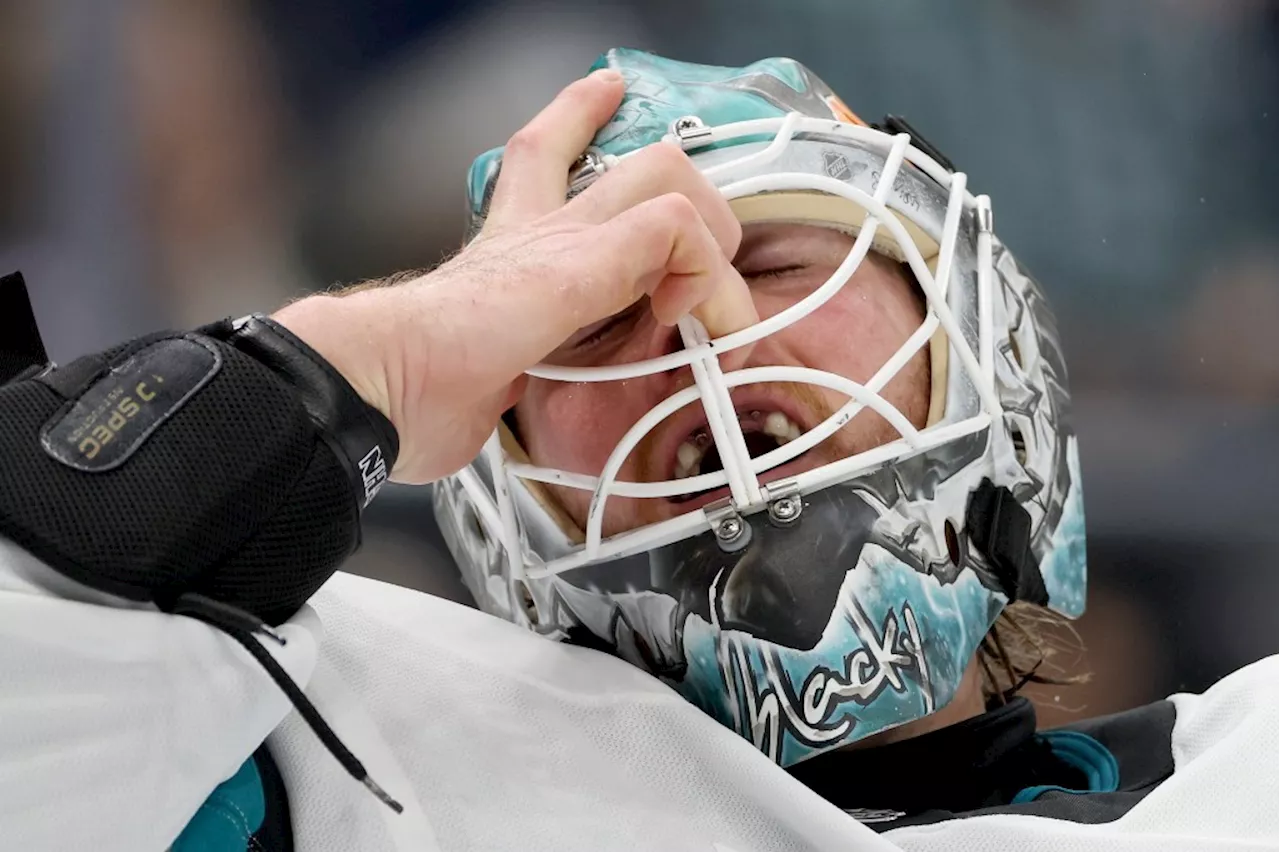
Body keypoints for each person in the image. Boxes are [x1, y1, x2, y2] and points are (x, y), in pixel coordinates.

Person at [1, 49, 1276, 852]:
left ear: (979, 347)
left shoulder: (1245, 773)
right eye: (589, 318)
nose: (697, 327)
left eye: (771, 259)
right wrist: (348, 368)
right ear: (500, 481)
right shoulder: (355, 773)